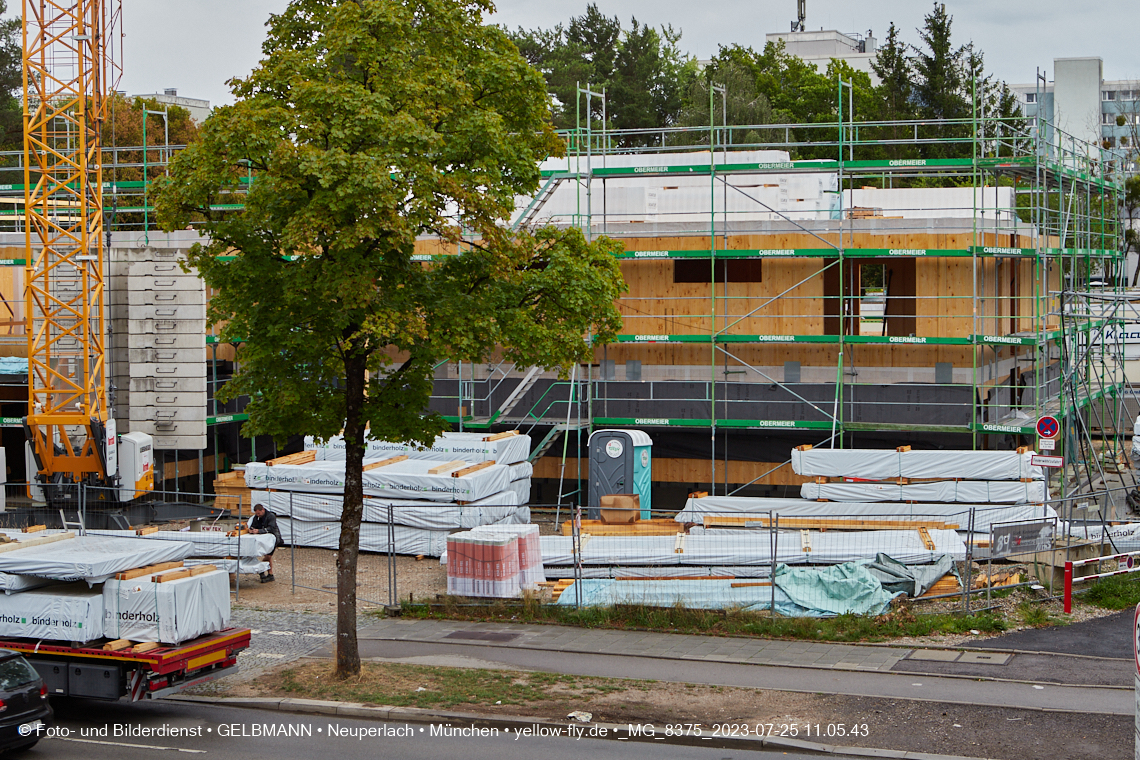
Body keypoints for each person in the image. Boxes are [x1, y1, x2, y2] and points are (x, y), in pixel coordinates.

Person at [248, 504, 283, 583]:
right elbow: (253, 525)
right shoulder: (256, 517)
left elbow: (271, 528)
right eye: (257, 514)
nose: (258, 515)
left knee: (268, 555)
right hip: (263, 539)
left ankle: (261, 570)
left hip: (273, 538)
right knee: (268, 556)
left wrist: (259, 531)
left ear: (262, 510)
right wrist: (251, 530)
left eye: (259, 513)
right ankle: (270, 574)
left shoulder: (271, 516)